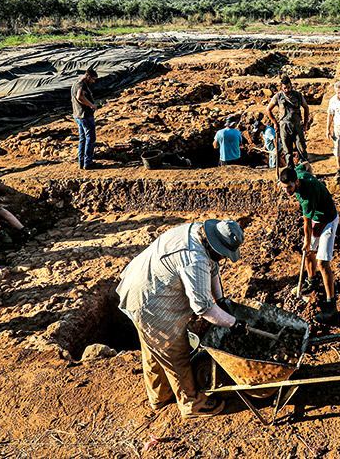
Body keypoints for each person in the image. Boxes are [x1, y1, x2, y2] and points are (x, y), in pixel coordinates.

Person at [117, 219, 245, 419]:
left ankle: (160, 396)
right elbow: (203, 308)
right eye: (223, 253)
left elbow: (213, 269)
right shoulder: (194, 259)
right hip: (148, 300)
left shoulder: (198, 232)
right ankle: (191, 403)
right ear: (214, 245)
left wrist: (221, 300)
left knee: (153, 348)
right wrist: (233, 323)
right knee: (174, 350)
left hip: (140, 283)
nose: (223, 257)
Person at [278, 165, 340, 323]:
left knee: (322, 263)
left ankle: (331, 305)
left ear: (296, 182)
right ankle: (312, 281)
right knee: (308, 253)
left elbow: (306, 223)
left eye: (290, 187)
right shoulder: (298, 173)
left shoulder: (306, 196)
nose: (287, 192)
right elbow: (305, 164)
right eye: (284, 188)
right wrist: (308, 244)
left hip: (328, 220)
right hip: (317, 218)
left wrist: (307, 241)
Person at [265, 75, 310, 169]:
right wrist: (275, 122)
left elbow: (306, 107)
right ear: (282, 87)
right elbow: (268, 109)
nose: (287, 89)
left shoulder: (297, 95)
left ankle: (304, 171)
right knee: (287, 150)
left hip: (297, 126)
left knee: (301, 148)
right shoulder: (278, 96)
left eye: (288, 87)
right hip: (284, 127)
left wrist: (305, 123)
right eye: (284, 88)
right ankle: (290, 170)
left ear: (291, 86)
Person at [71, 68, 100, 170]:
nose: (93, 81)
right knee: (90, 138)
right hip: (85, 116)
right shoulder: (81, 86)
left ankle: (81, 162)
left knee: (83, 139)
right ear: (88, 76)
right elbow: (80, 97)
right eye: (92, 79)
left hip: (78, 115)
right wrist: (92, 105)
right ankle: (88, 162)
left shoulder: (75, 83)